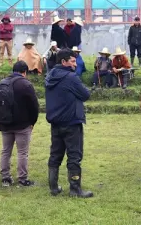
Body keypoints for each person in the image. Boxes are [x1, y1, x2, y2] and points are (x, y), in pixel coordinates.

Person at [45, 49, 93, 198]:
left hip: (56, 122)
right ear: (64, 62)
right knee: (74, 156)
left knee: (55, 154)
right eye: (72, 61)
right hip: (71, 122)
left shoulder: (50, 76)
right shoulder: (71, 77)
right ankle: (75, 189)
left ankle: (53, 187)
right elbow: (86, 94)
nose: (75, 64)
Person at [0, 61, 40, 186]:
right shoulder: (26, 84)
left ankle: (5, 178)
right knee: (22, 152)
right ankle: (22, 179)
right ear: (24, 72)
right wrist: (32, 122)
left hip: (5, 123)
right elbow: (34, 106)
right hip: (22, 124)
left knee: (6, 150)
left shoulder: (2, 83)